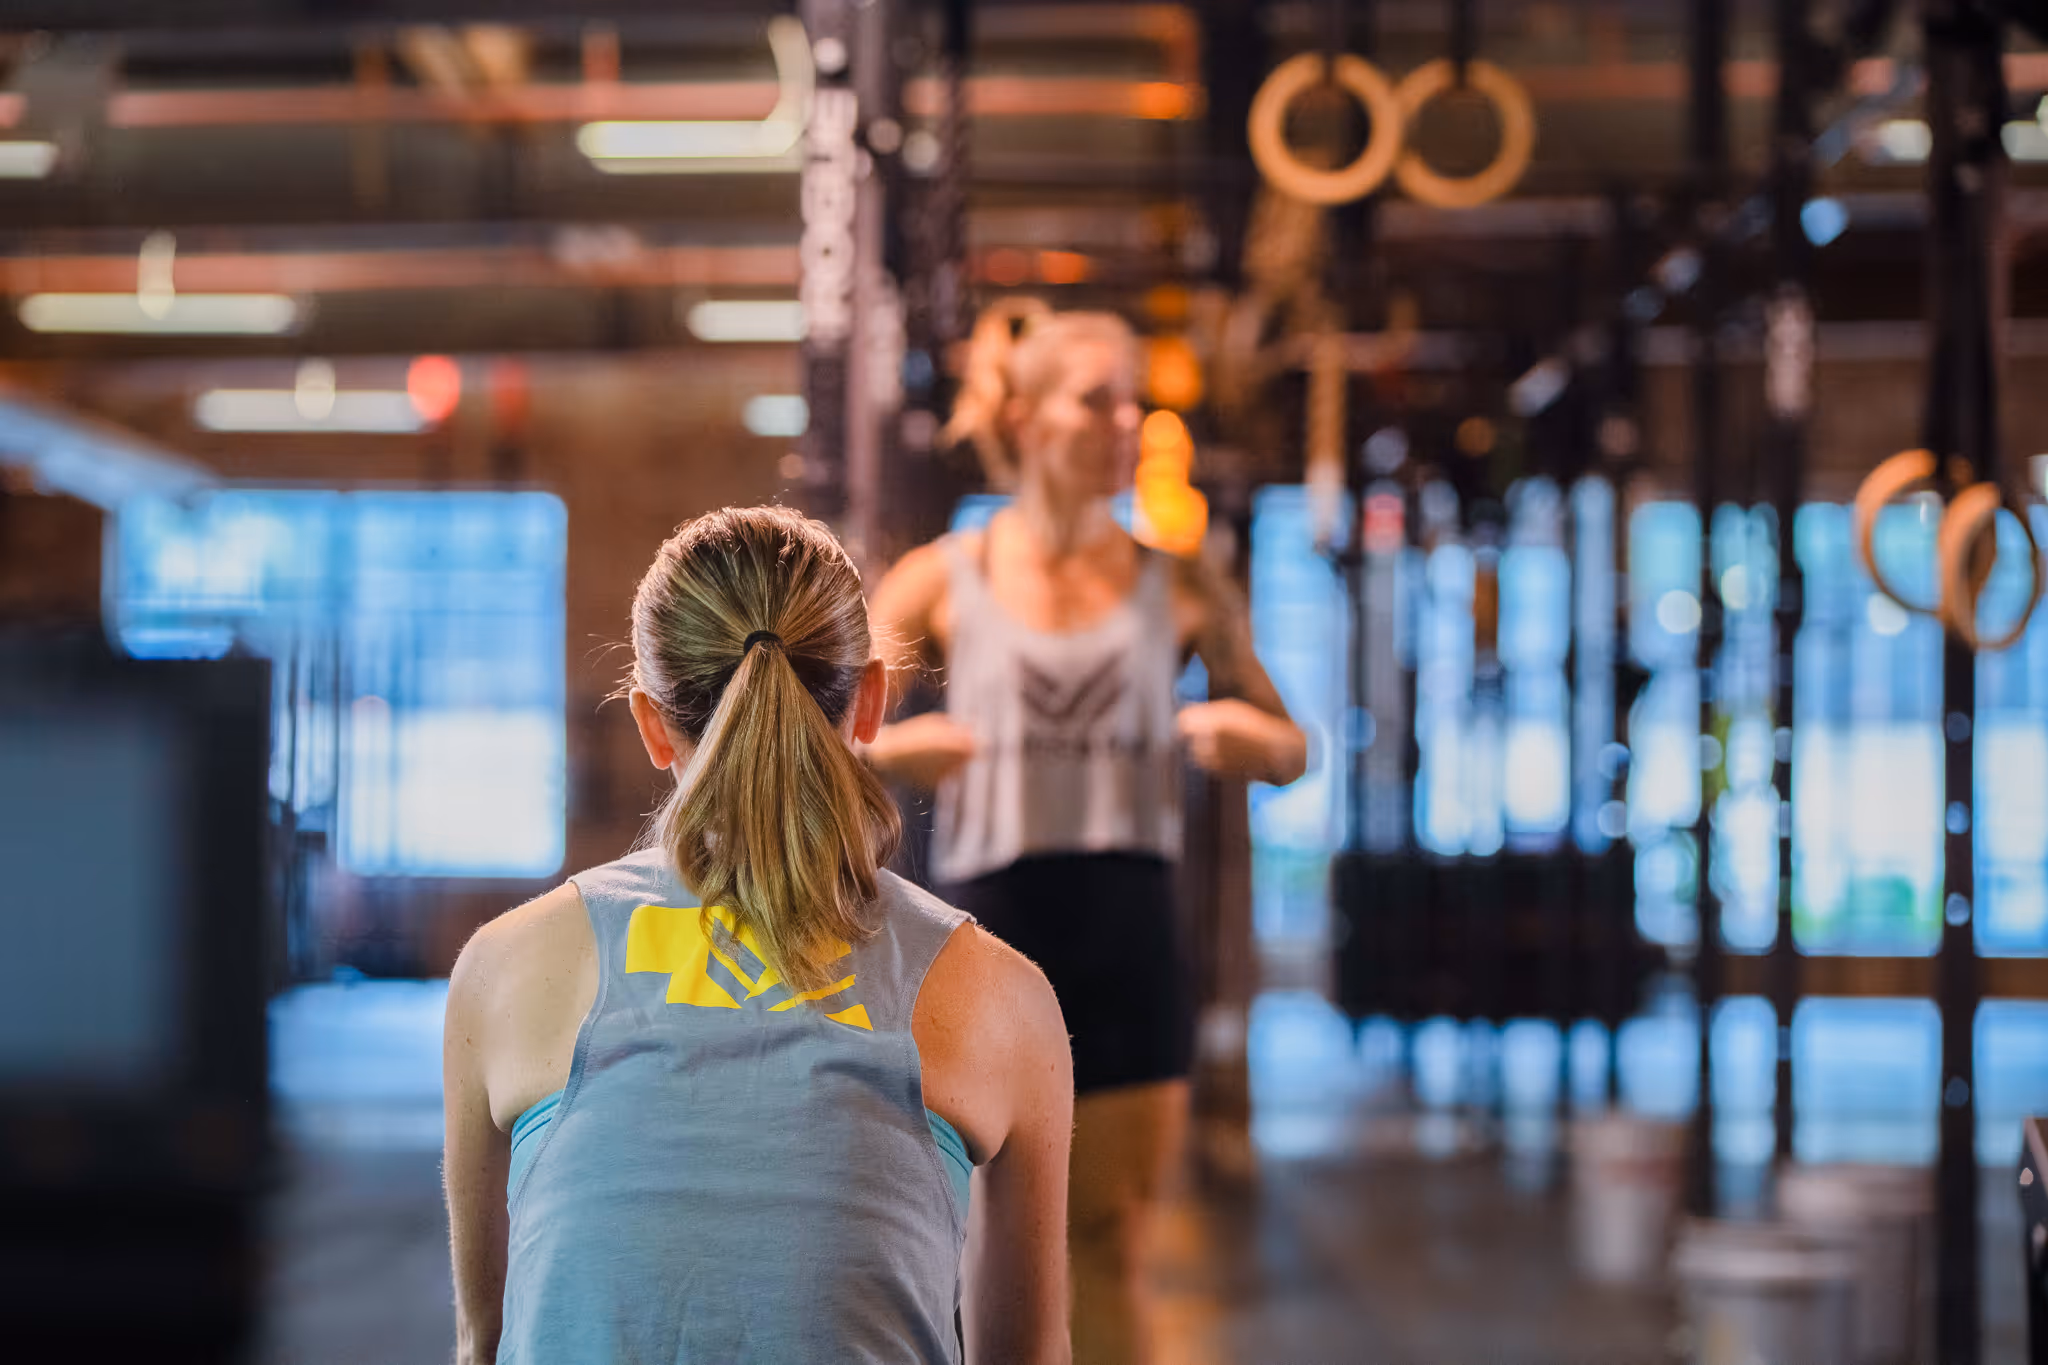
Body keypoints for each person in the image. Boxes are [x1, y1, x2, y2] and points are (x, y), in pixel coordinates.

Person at [443, 505, 1074, 1365]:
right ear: (873, 703)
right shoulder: (1003, 999)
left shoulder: (505, 969)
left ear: (651, 721)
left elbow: (483, 1342)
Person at [867, 301, 1308, 1364]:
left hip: (1126, 934)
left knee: (1105, 1244)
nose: (1127, 423)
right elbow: (820, 747)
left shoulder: (1180, 581)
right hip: (983, 932)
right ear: (1021, 415)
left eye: (1136, 402)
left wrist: (1252, 737)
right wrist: (893, 756)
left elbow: (1292, 747)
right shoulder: (939, 578)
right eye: (1097, 400)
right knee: (962, 1249)